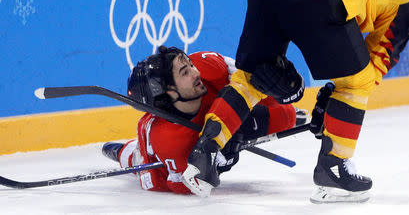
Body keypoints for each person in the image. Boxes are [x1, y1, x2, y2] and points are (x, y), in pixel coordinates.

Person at [182, 0, 409, 203]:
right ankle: (333, 167)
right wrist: (338, 107)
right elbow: (375, 64)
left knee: (254, 75)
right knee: (357, 83)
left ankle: (205, 156)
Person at [102, 46, 306, 194]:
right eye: (185, 72)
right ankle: (124, 152)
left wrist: (277, 92)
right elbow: (186, 185)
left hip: (207, 119)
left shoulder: (207, 66)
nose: (196, 71)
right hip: (156, 159)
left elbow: (250, 82)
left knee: (286, 115)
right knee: (137, 157)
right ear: (169, 93)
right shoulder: (169, 140)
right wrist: (221, 163)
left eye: (189, 65)